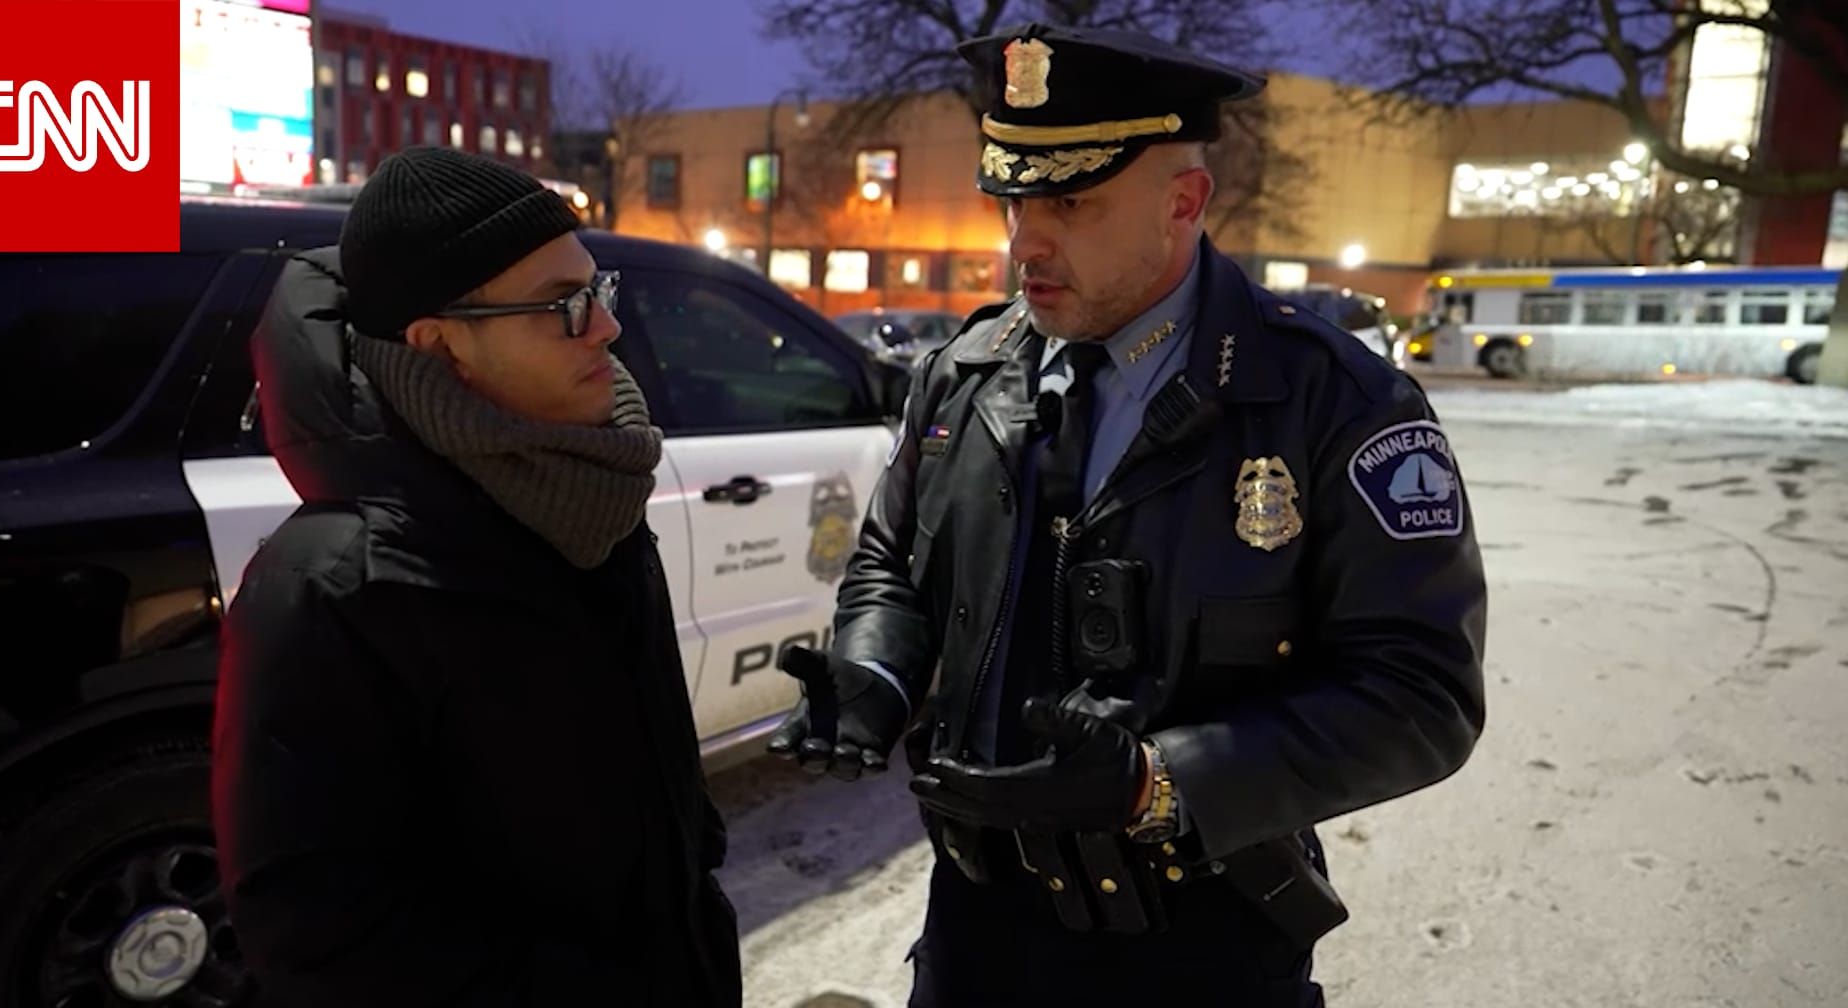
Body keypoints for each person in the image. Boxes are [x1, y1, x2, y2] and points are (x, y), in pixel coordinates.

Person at [766, 23, 1486, 1007]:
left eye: (1070, 202)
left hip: (1199, 947)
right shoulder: (963, 377)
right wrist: (874, 672)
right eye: (1014, 201)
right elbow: (892, 559)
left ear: (1184, 201)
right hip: (975, 929)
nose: (1025, 243)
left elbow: (1422, 694)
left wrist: (1162, 781)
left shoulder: (1332, 402)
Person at [212, 147, 739, 1007]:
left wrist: (696, 894)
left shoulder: (594, 490)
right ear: (440, 344)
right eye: (563, 307)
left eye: (598, 291)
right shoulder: (332, 588)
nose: (606, 329)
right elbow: (321, 929)